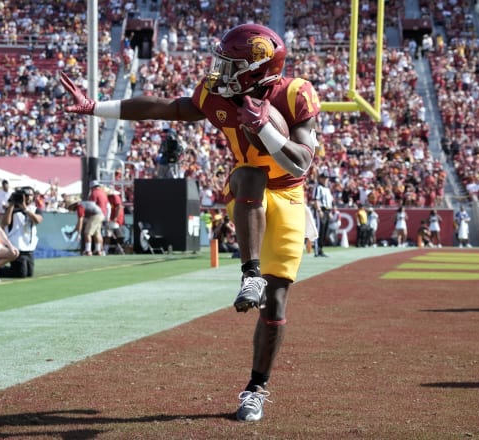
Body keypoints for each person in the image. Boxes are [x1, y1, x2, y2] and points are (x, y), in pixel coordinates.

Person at [61, 23, 319, 422]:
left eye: (231, 64)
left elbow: (301, 162)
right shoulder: (217, 94)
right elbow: (169, 108)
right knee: (248, 175)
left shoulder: (295, 93)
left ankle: (255, 389)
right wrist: (98, 107)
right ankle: (250, 273)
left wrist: (263, 126)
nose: (220, 71)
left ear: (258, 69)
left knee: (277, 303)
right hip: (251, 184)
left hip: (288, 192)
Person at [0, 187, 43, 278]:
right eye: (26, 196)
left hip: (29, 248)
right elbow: (5, 222)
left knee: (29, 273)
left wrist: (25, 209)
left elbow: (37, 220)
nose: (28, 198)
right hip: (16, 246)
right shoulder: (12, 209)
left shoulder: (34, 209)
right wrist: (11, 204)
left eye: (30, 196)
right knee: (21, 273)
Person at [312, 172, 333, 256]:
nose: (326, 180)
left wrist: (330, 212)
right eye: (324, 178)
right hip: (322, 210)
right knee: (320, 230)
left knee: (324, 231)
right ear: (320, 178)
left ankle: (321, 249)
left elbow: (329, 201)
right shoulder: (318, 187)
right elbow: (316, 200)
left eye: (327, 178)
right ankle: (317, 250)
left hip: (327, 210)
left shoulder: (327, 188)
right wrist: (319, 210)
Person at [106, 189, 125, 254]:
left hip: (117, 219)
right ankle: (111, 249)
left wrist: (116, 217)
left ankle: (120, 248)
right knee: (110, 235)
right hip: (111, 218)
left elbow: (119, 207)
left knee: (118, 234)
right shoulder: (108, 197)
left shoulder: (115, 197)